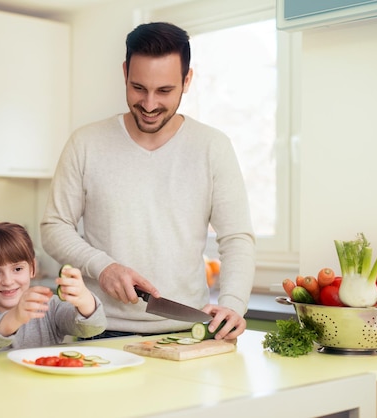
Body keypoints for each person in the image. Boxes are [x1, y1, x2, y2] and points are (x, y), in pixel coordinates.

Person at [40, 22, 255, 340]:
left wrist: (233, 303)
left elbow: (237, 237)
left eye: (165, 91)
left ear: (187, 80)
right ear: (125, 72)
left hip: (187, 331)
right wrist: (103, 267)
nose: (150, 104)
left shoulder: (212, 147)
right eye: (138, 88)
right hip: (100, 328)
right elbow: (54, 227)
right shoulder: (86, 143)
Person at [0, 222, 106, 351]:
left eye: (17, 269)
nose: (8, 281)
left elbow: (93, 328)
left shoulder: (51, 306)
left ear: (32, 268)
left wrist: (84, 298)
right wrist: (15, 317)